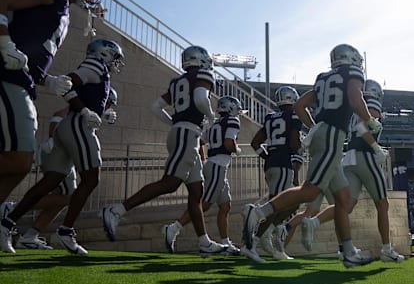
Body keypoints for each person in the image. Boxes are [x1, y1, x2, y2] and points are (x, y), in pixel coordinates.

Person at [243, 44, 382, 268]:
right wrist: (370, 120)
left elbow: (299, 106)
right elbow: (356, 100)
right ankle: (258, 212)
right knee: (311, 190)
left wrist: (315, 126)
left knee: (343, 200)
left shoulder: (323, 77)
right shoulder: (353, 74)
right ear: (352, 59)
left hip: (325, 135)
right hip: (332, 136)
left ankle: (348, 251)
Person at [101, 45, 227, 258]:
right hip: (188, 134)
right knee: (170, 183)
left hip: (185, 133)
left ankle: (204, 242)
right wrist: (212, 117)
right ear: (202, 60)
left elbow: (155, 107)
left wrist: (174, 124)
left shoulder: (178, 81)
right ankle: (117, 210)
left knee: (196, 192)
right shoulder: (203, 74)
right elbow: (199, 98)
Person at [0, 0, 104, 209]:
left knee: (18, 164)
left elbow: (27, 54)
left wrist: (48, 80)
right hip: (6, 76)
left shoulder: (62, 9)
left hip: (20, 78)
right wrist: (4, 42)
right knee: (19, 159)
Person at [1, 39, 122, 255]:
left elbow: (72, 88)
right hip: (77, 125)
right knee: (91, 177)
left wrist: (97, 113)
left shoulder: (98, 71)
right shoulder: (95, 65)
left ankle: (6, 224)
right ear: (104, 54)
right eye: (114, 56)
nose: (116, 62)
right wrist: (84, 111)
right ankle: (65, 231)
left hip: (70, 126)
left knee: (50, 181)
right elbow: (67, 84)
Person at [293, 80, 405, 263]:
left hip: (349, 157)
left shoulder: (353, 104)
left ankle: (313, 222)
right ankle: (387, 249)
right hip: (365, 157)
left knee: (347, 205)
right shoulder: (371, 104)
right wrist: (376, 147)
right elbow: (361, 127)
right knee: (382, 204)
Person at [162, 96, 245, 256]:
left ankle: (225, 243)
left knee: (225, 206)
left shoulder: (215, 124)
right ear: (232, 108)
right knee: (205, 204)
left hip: (215, 166)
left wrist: (203, 159)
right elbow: (229, 143)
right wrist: (237, 150)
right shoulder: (232, 121)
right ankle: (173, 229)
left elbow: (200, 141)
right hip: (217, 167)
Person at [247, 85, 303, 262]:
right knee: (276, 204)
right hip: (282, 163)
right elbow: (294, 145)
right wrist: (299, 144)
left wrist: (268, 157)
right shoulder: (294, 115)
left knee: (293, 203)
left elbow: (255, 143)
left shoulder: (270, 117)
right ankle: (252, 242)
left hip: (273, 163)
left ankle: (271, 232)